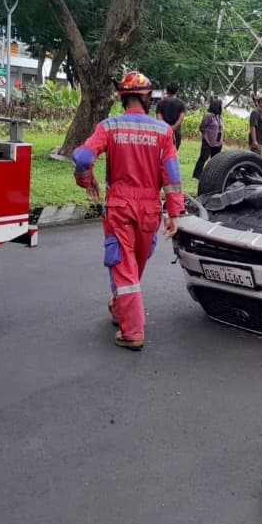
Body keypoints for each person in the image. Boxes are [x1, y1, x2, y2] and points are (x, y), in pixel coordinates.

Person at [72, 71, 183, 351]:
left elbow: (84, 156)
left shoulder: (110, 127)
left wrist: (87, 179)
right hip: (149, 210)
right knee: (134, 265)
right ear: (147, 97)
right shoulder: (163, 132)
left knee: (123, 268)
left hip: (120, 206)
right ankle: (119, 306)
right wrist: (174, 213)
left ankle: (133, 332)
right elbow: (171, 175)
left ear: (123, 97)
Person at [191, 98, 223, 180]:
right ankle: (196, 175)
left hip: (217, 142)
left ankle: (212, 175)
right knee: (203, 157)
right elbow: (202, 127)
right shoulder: (209, 115)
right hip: (208, 140)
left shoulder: (219, 117)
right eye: (220, 105)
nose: (221, 107)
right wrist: (206, 134)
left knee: (215, 160)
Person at [155, 83, 187, 150]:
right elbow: (181, 118)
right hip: (176, 132)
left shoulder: (161, 103)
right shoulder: (181, 103)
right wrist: (173, 127)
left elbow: (159, 118)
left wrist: (167, 128)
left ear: (167, 90)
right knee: (174, 151)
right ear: (177, 91)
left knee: (163, 151)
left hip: (163, 131)